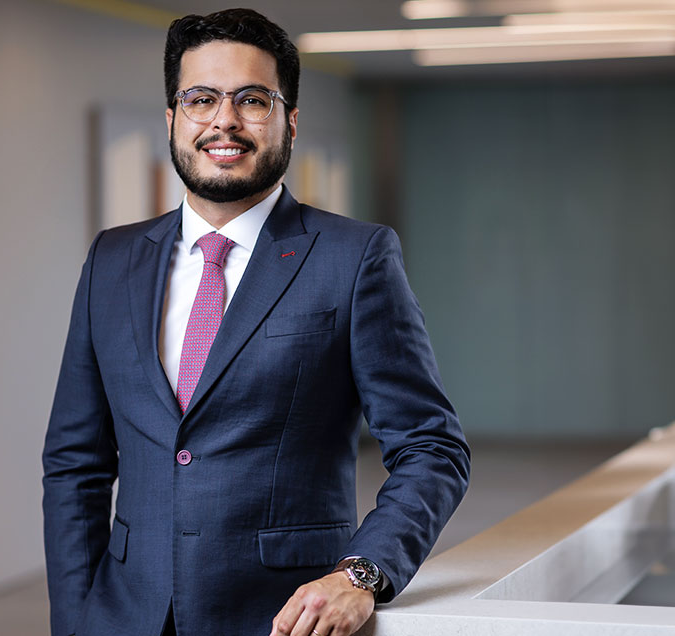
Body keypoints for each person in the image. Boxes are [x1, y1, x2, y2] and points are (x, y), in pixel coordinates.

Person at [42, 8, 469, 636]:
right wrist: (76, 620)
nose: (224, 120)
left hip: (283, 616)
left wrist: (361, 574)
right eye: (200, 99)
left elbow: (432, 448)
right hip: (123, 614)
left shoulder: (354, 258)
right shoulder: (112, 258)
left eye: (253, 100)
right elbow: (75, 463)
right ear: (172, 119)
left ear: (290, 122)